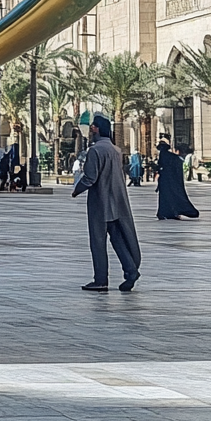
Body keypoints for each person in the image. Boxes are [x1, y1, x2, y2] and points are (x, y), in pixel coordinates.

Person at [71, 114, 141, 292]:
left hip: (100, 202)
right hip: (116, 201)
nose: (91, 130)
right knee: (117, 238)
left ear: (97, 129)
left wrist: (76, 190)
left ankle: (100, 279)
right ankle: (131, 270)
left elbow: (90, 178)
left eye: (93, 127)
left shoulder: (95, 151)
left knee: (98, 240)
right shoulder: (115, 150)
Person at [156, 141, 199, 220]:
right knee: (168, 197)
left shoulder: (166, 155)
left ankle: (168, 213)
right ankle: (168, 213)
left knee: (167, 197)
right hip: (167, 181)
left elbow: (162, 166)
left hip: (166, 181)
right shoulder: (170, 156)